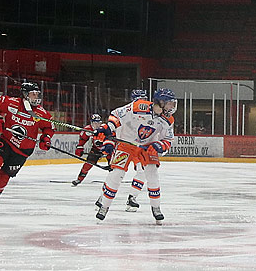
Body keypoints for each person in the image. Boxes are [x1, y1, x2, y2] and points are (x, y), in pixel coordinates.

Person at [97, 88, 177, 222]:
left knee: (152, 175)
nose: (172, 107)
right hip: (126, 144)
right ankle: (104, 206)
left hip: (147, 147)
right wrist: (108, 128)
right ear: (161, 103)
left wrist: (160, 145)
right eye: (170, 103)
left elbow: (168, 140)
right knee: (116, 174)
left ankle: (156, 208)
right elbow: (116, 115)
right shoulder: (138, 107)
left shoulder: (168, 120)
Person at [0, 80, 55, 212]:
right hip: (7, 141)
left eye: (37, 94)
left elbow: (49, 127)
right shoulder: (12, 103)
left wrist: (45, 139)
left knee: (5, 174)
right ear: (25, 95)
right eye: (33, 94)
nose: (37, 97)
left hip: (23, 151)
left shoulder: (41, 113)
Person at [71, 113, 115, 186]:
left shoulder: (105, 128)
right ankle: (79, 179)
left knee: (112, 164)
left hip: (107, 148)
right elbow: (82, 139)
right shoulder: (88, 130)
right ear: (91, 122)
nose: (97, 125)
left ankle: (114, 181)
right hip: (96, 149)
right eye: (95, 123)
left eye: (99, 123)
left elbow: (112, 138)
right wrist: (80, 147)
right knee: (88, 163)